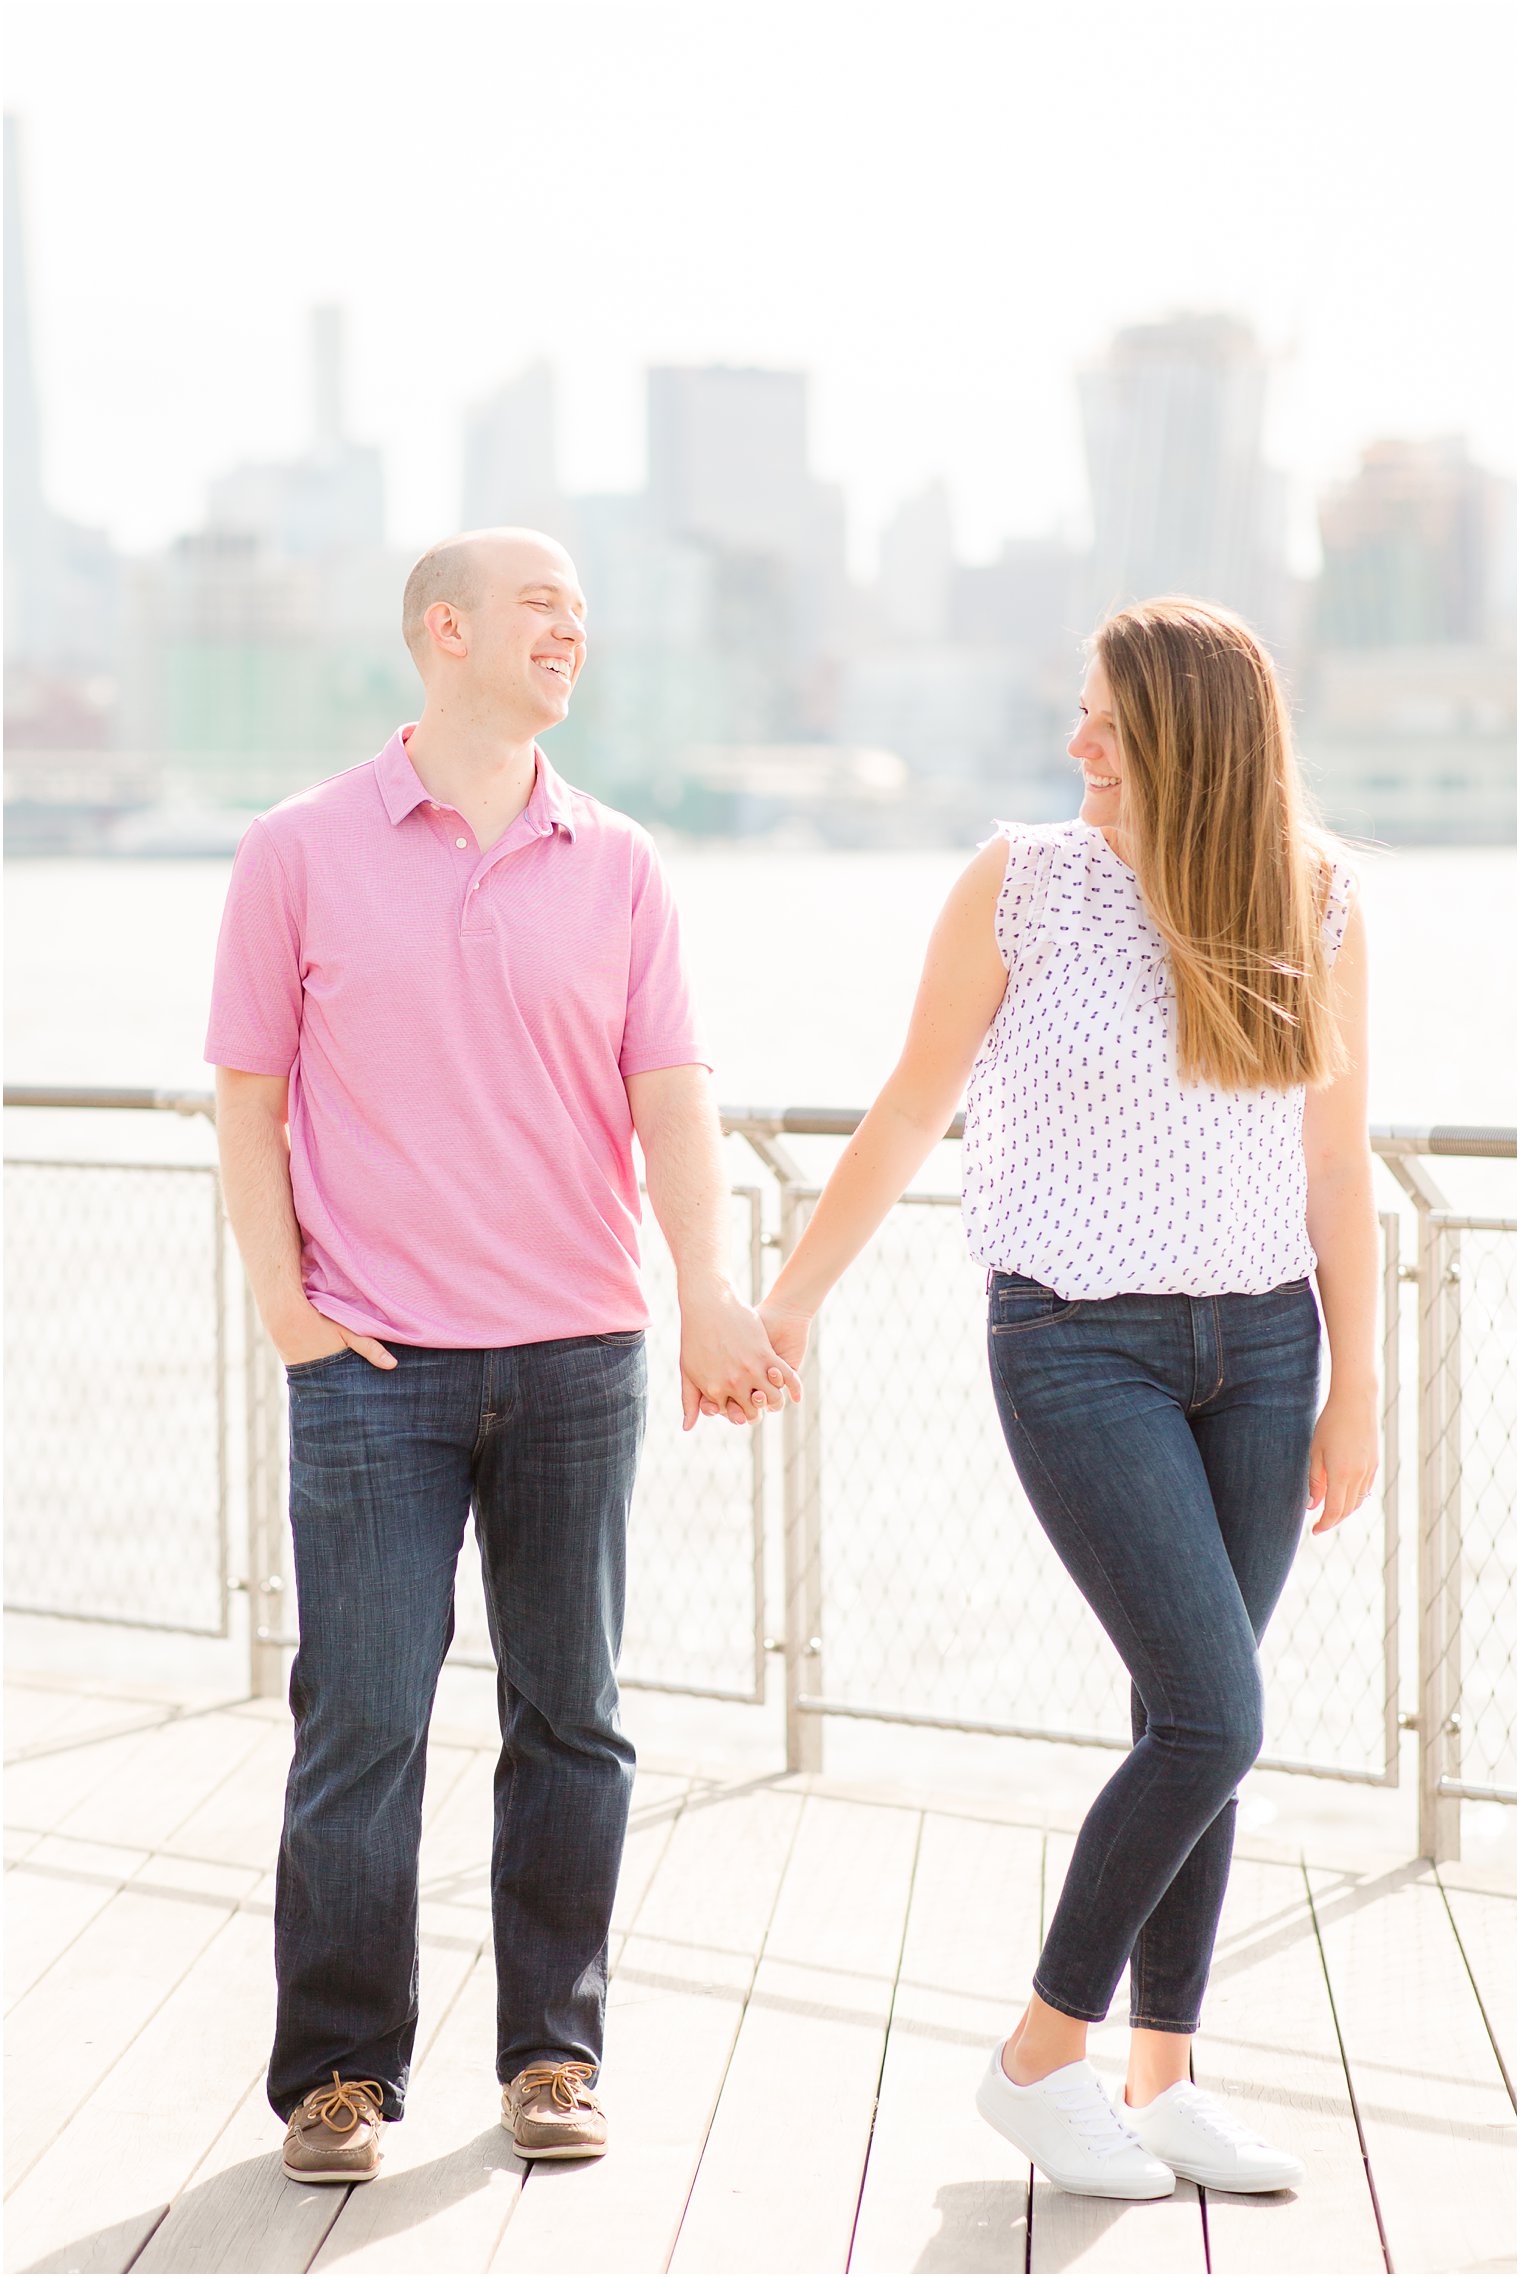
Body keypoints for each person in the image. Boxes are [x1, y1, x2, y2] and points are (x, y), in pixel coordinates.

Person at [756, 597, 1377, 2200]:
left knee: (1195, 1724)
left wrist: (1357, 1385)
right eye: (1078, 714)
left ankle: (1163, 2079)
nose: (1076, 742)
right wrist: (791, 1299)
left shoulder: (1316, 896)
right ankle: (1041, 2058)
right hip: (1075, 1343)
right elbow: (911, 1107)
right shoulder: (1021, 881)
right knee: (1215, 1711)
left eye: (1107, 718)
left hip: (1265, 1352)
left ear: (1194, 733)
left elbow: (1330, 1161)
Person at [206, 526, 798, 2185]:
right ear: (443, 630)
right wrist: (284, 1299)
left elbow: (669, 1096)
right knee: (364, 1721)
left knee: (576, 1718)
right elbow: (248, 1096)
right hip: (371, 1371)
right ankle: (337, 2074)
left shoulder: (619, 861)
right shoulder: (298, 849)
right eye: (543, 606)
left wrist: (705, 1288)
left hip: (576, 1360)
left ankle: (555, 2047)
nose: (573, 634)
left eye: (585, 615)